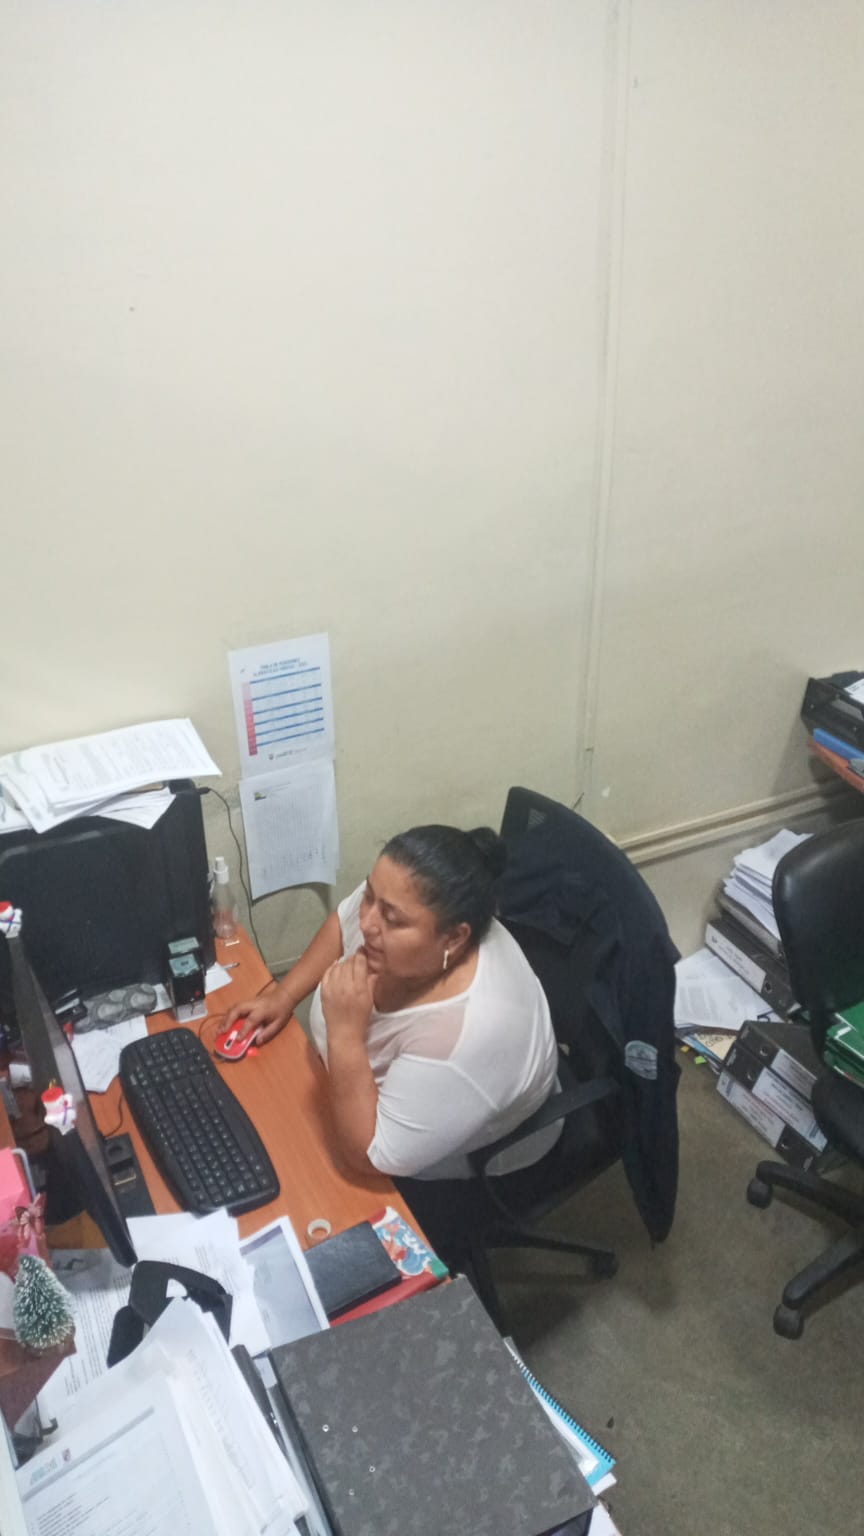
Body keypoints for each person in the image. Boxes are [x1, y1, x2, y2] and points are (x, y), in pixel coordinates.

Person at [224, 824, 562, 1257]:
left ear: (454, 938)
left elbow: (369, 1157)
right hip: (355, 1096)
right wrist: (283, 995)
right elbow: (342, 922)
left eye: (392, 919)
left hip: (460, 1156)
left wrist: (346, 1034)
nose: (367, 922)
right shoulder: (393, 913)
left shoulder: (462, 1038)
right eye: (370, 896)